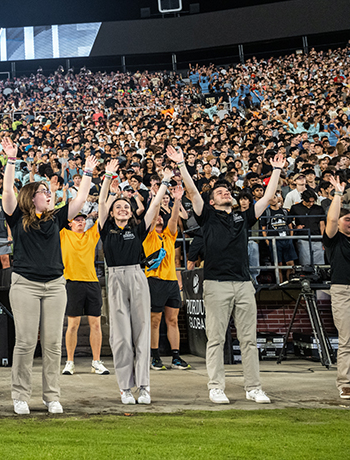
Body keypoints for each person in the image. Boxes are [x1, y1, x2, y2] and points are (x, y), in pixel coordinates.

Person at [167, 145, 284, 405]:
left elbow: (267, 198)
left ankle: (253, 387)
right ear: (212, 201)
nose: (225, 193)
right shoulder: (207, 216)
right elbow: (193, 192)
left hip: (243, 284)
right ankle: (216, 386)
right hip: (216, 283)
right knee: (216, 339)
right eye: (220, 192)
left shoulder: (243, 217)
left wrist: (276, 170)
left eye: (227, 191)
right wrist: (182, 164)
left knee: (249, 340)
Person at [1, 137, 96, 414]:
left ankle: (51, 396)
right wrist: (11, 160)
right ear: (32, 197)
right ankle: (20, 395)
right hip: (25, 285)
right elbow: (8, 190)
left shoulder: (55, 217)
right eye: (43, 190)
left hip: (55, 284)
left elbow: (79, 199)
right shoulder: (17, 216)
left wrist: (88, 173)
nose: (48, 193)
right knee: (26, 342)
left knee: (54, 344)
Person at [97, 160, 171, 405]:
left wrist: (165, 183)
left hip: (138, 275)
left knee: (141, 333)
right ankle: (125, 388)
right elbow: (101, 204)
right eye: (117, 206)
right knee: (121, 337)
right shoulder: (105, 229)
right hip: (116, 277)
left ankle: (144, 386)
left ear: (130, 212)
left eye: (125, 207)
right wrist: (108, 176)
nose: (121, 209)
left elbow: (153, 208)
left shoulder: (138, 229)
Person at [145, 185, 192, 371]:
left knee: (172, 320)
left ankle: (175, 356)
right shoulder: (148, 236)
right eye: (156, 217)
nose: (159, 218)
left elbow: (174, 218)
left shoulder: (169, 235)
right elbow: (152, 215)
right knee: (154, 320)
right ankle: (155, 356)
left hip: (171, 281)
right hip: (154, 281)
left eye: (160, 217)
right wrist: (156, 199)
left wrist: (177, 199)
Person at [60, 211, 109, 377]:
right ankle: (70, 362)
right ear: (70, 223)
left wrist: (111, 195)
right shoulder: (64, 234)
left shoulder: (91, 235)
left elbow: (103, 217)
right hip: (72, 282)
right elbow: (57, 217)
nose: (80, 222)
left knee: (96, 324)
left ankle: (96, 362)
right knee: (73, 325)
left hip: (92, 282)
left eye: (82, 220)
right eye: (77, 220)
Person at [324, 174, 350, 400]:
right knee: (347, 338)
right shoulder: (334, 239)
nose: (349, 221)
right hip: (343, 290)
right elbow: (331, 221)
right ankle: (345, 383)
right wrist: (338, 194)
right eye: (347, 218)